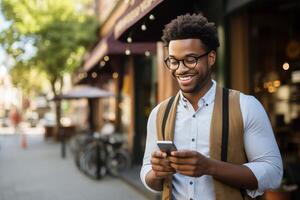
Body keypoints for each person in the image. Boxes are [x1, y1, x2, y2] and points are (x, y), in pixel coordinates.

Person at [140, 14, 282, 200]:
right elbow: (147, 173)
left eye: (190, 59)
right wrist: (157, 172)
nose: (180, 69)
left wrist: (210, 167)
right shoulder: (159, 113)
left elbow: (273, 174)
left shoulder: (245, 106)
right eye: (174, 61)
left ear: (211, 57)